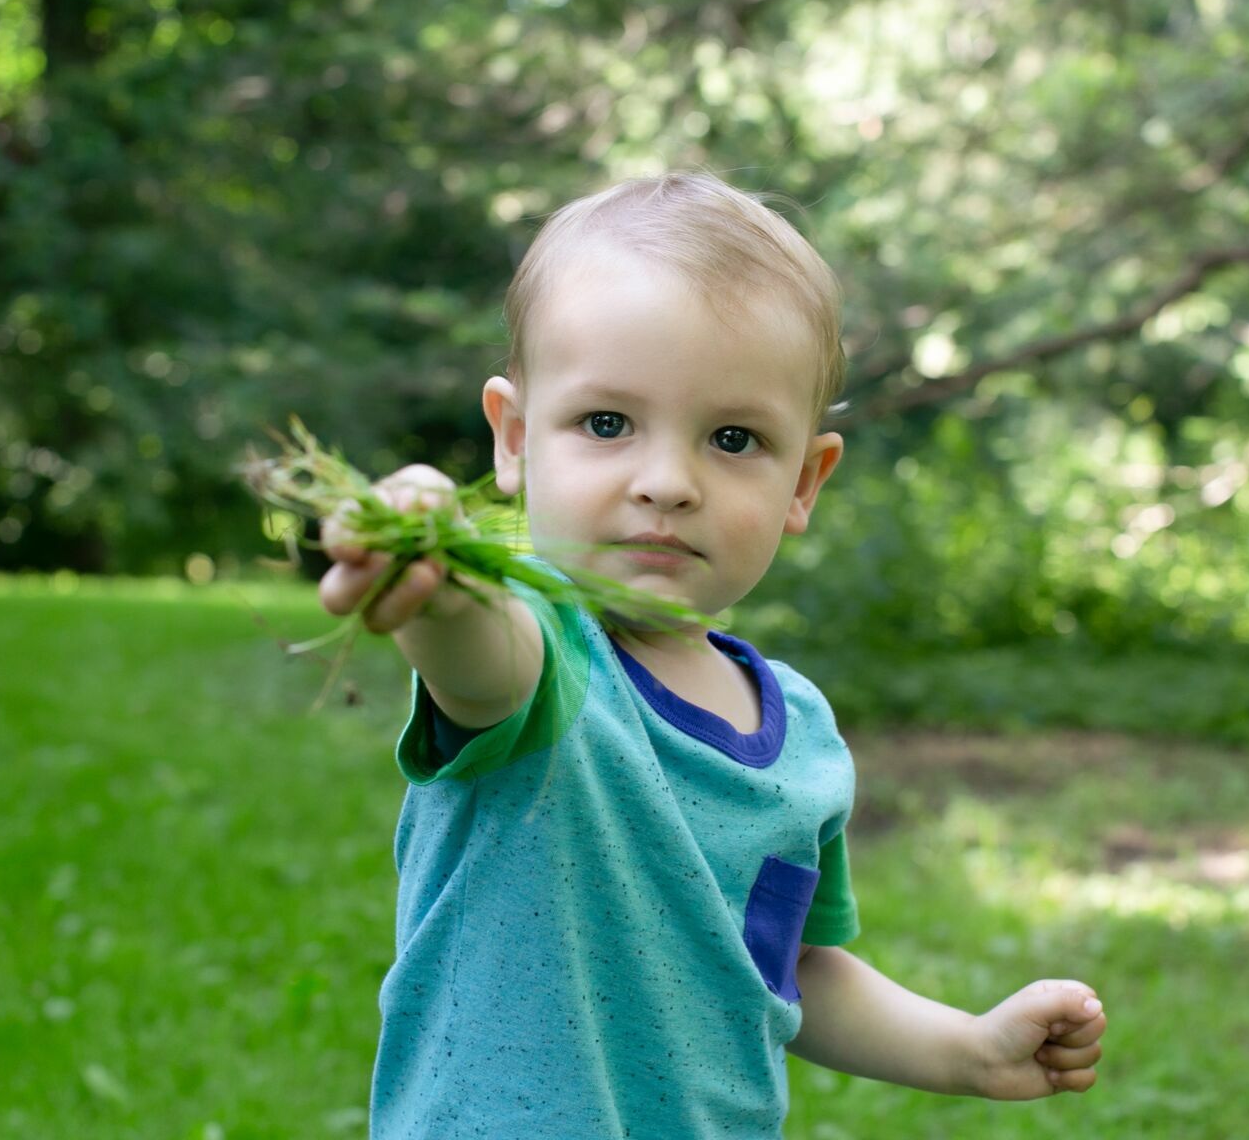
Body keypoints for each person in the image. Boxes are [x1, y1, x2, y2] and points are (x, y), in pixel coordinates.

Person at [318, 170, 1106, 1137]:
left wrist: (966, 1048)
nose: (666, 481)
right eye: (607, 424)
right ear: (517, 439)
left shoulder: (802, 737)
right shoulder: (543, 651)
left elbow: (790, 968)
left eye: (733, 438)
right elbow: (480, 663)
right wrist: (430, 575)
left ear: (805, 481)